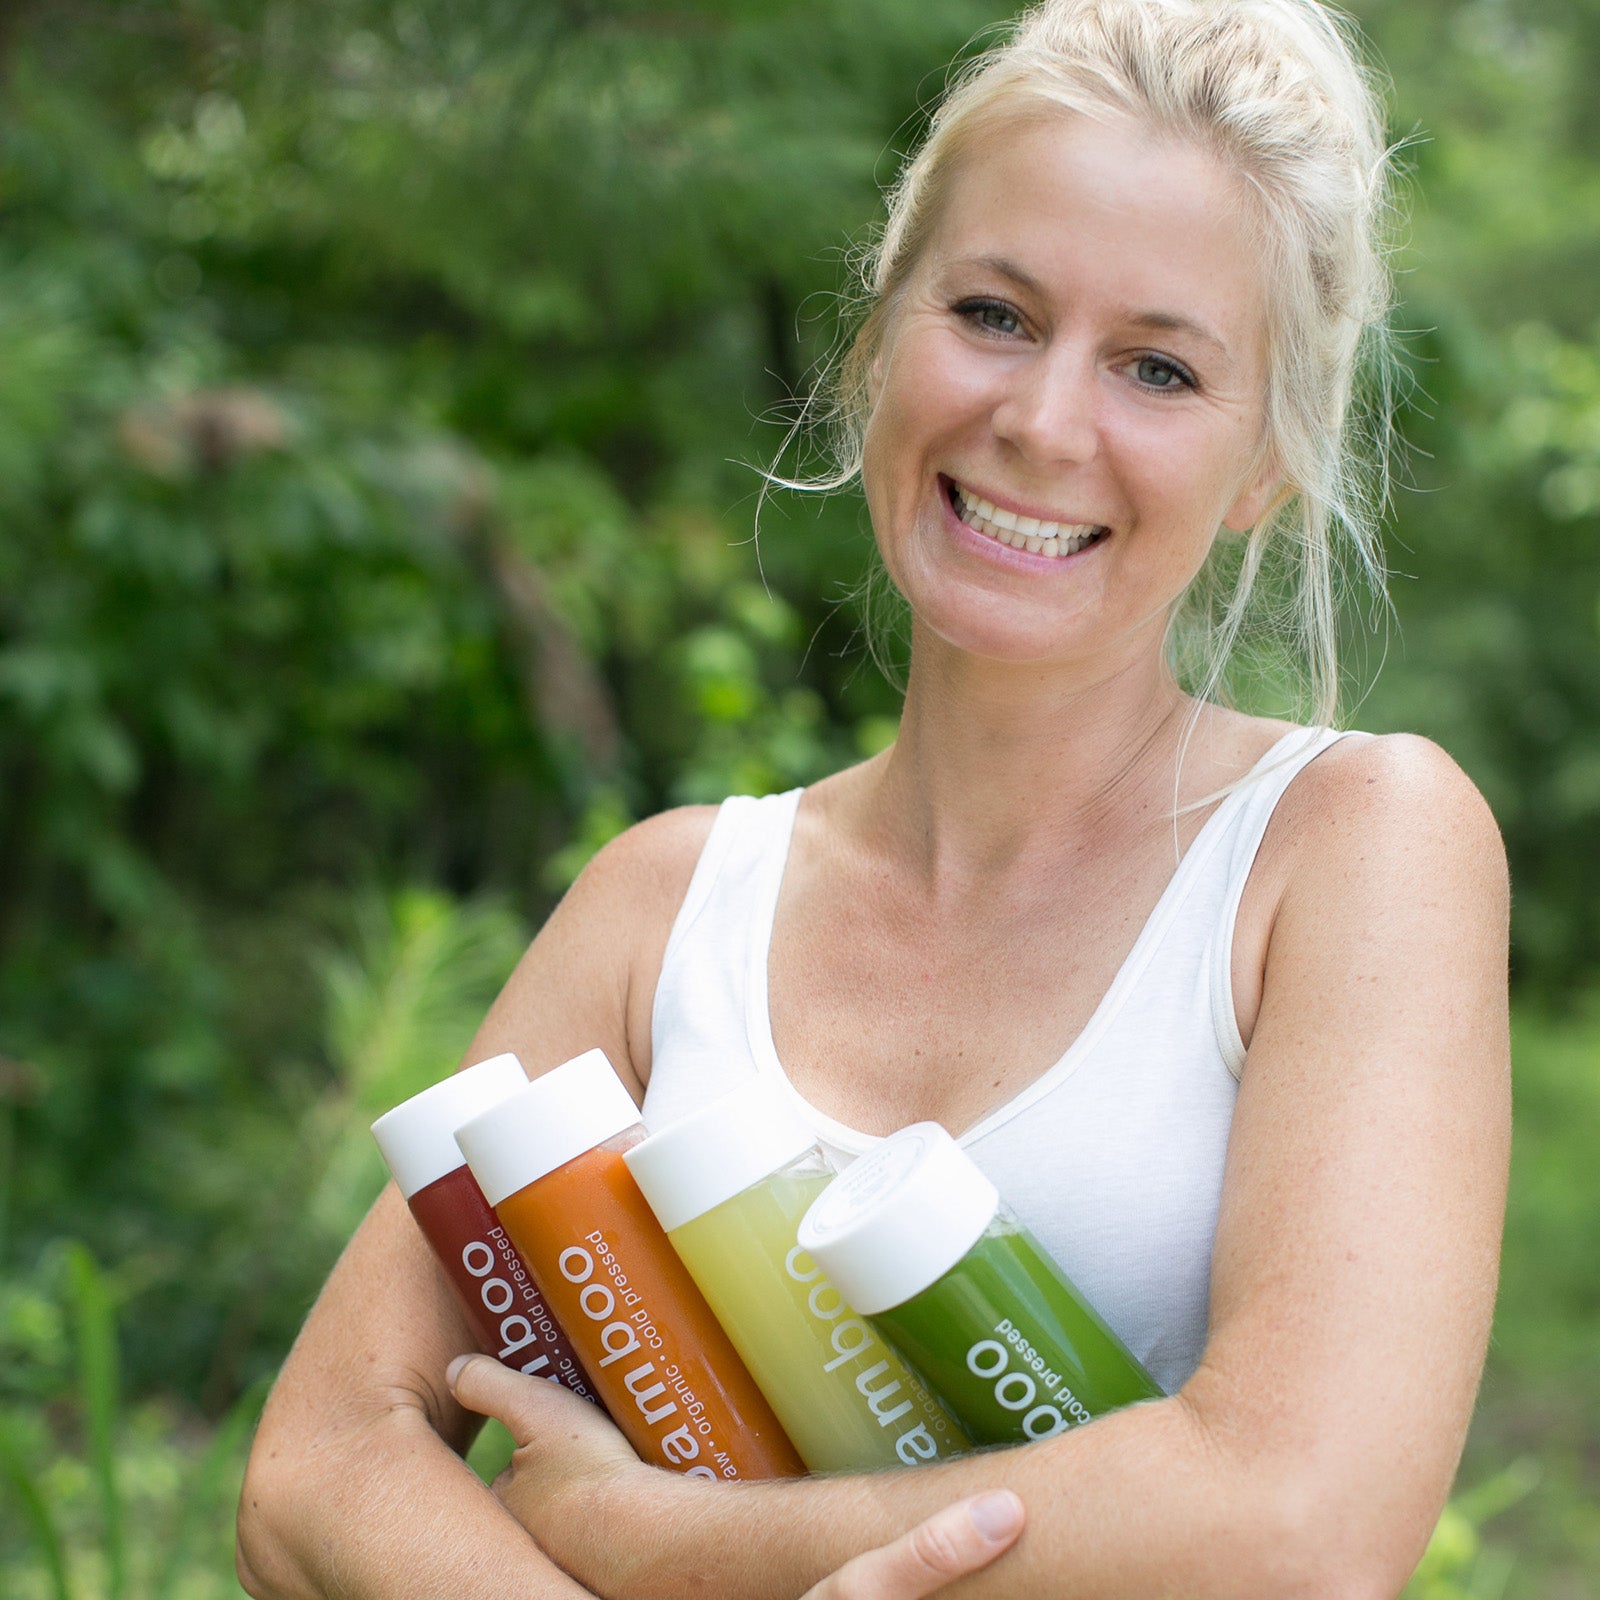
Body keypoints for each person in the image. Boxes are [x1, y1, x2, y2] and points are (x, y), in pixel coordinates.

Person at [236, 0, 1511, 1595]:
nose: (1043, 422)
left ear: (1264, 463)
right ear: (873, 348)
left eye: (1159, 366)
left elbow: (1301, 1526)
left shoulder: (1350, 847)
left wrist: (673, 1548)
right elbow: (316, 1468)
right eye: (992, 314)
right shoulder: (665, 907)